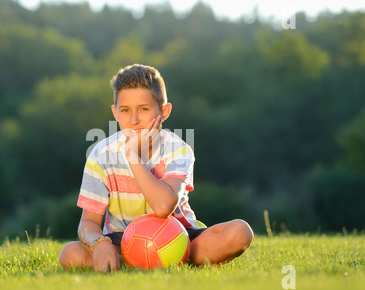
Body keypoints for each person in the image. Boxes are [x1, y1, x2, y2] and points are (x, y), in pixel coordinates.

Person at [59, 64, 253, 272]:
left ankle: (162, 260)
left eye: (144, 109)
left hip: (180, 237)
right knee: (69, 254)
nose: (134, 120)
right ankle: (134, 260)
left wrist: (132, 155)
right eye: (125, 110)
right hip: (123, 241)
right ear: (115, 113)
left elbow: (163, 208)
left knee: (240, 232)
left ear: (164, 111)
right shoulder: (101, 154)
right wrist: (100, 244)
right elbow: (88, 223)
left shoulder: (178, 150)